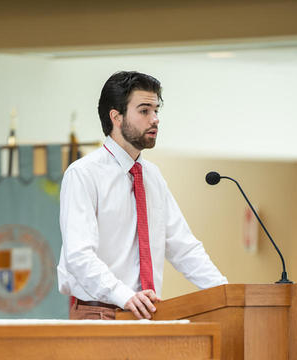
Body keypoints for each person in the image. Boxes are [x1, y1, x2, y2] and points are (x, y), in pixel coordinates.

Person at [57, 71, 227, 320]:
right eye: (144, 111)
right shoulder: (83, 174)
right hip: (100, 312)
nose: (155, 119)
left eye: (156, 110)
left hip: (147, 313)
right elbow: (79, 256)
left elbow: (183, 247)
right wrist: (123, 295)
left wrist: (226, 294)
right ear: (116, 116)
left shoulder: (152, 176)